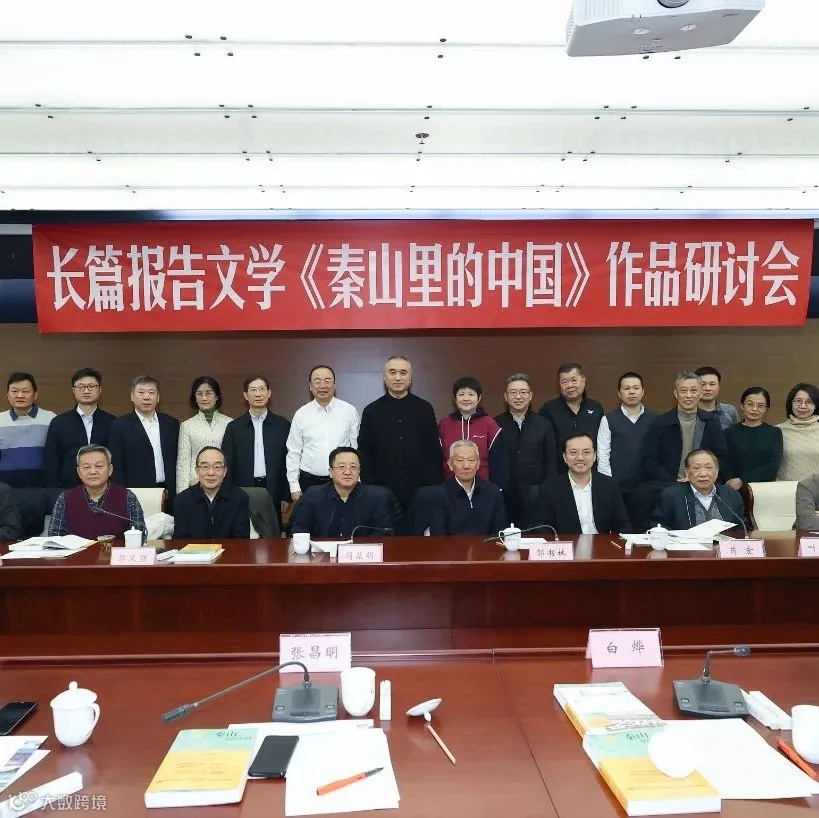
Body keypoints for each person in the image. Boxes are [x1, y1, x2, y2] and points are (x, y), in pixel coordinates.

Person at [630, 371, 727, 532]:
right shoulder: (660, 423)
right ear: (676, 394)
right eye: (683, 391)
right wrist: (674, 481)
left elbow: (721, 456)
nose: (688, 395)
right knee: (643, 496)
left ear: (700, 393)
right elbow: (650, 460)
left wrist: (699, 477)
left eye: (693, 391)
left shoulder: (711, 421)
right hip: (668, 483)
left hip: (703, 482)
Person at [358, 356, 441, 515]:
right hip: (381, 493)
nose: (398, 377)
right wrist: (371, 487)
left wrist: (430, 488)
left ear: (410, 378)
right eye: (392, 372)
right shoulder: (371, 411)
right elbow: (365, 453)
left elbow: (433, 451)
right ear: (384, 377)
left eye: (403, 373)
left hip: (419, 492)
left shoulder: (424, 409)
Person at [221, 376, 290, 529]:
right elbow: (228, 463)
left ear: (269, 393)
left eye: (261, 389)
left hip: (273, 490)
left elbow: (288, 461)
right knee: (243, 532)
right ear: (245, 395)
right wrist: (229, 493)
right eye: (253, 390)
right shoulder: (234, 427)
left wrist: (285, 495)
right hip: (242, 489)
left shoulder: (282, 425)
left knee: (272, 533)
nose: (258, 394)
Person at [286, 366, 359, 503]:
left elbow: (355, 449)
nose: (323, 385)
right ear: (310, 386)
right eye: (318, 381)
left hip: (342, 481)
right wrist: (294, 485)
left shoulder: (349, 411)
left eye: (327, 381)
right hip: (309, 482)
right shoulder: (301, 414)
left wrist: (357, 480)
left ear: (334, 385)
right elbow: (294, 451)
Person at [532, 434, 630, 535]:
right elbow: (541, 527)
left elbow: (623, 526)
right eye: (573, 452)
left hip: (601, 543)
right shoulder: (550, 488)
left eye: (586, 452)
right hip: (567, 543)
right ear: (565, 457)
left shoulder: (609, 486)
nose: (580, 458)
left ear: (595, 456)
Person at [290, 447, 395, 539]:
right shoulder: (312, 496)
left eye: (353, 467)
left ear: (359, 472)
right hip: (322, 554)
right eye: (341, 467)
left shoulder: (376, 498)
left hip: (361, 554)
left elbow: (384, 534)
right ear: (331, 472)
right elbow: (298, 531)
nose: (347, 472)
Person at [494, 373, 557, 528]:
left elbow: (551, 461)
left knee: (535, 534)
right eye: (513, 392)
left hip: (537, 494)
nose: (518, 396)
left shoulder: (543, 424)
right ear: (506, 396)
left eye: (523, 392)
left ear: (530, 395)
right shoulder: (495, 424)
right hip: (505, 494)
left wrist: (547, 490)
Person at [48, 444, 146, 539]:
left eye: (99, 466)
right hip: (78, 551)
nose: (93, 472)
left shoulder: (127, 497)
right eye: (86, 467)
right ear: (79, 472)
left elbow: (140, 535)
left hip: (116, 550)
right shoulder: (65, 499)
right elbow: (54, 537)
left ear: (110, 469)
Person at [44, 367, 115, 489]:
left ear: (100, 390)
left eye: (91, 386)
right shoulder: (59, 422)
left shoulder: (112, 422)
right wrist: (53, 490)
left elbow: (116, 458)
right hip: (68, 488)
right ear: (73, 390)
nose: (86, 391)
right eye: (81, 387)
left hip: (105, 488)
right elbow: (51, 460)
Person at [108, 375, 179, 495]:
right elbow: (117, 466)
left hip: (168, 491)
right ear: (132, 396)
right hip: (135, 492)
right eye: (141, 392)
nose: (146, 397)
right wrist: (121, 495)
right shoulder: (119, 426)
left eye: (151, 393)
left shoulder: (171, 424)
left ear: (158, 397)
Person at [596, 371, 657, 503]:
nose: (631, 392)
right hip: (617, 487)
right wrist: (608, 483)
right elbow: (603, 454)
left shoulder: (655, 419)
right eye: (626, 388)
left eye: (636, 388)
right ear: (619, 393)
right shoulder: (608, 419)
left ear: (643, 392)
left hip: (648, 486)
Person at [437, 376, 507, 489]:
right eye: (461, 394)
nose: (466, 398)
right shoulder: (444, 425)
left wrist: (498, 489)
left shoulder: (490, 425)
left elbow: (499, 463)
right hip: (449, 489)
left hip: (482, 489)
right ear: (454, 398)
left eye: (471, 394)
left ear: (479, 398)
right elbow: (437, 461)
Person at [651, 449, 745, 532]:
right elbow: (658, 526)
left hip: (723, 546)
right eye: (696, 468)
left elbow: (742, 529)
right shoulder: (671, 495)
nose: (703, 474)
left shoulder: (731, 495)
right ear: (687, 473)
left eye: (709, 467)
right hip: (686, 546)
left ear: (716, 472)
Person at [428, 440, 507, 536]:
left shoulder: (493, 492)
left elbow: (499, 533)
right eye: (460, 460)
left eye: (471, 460)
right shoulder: (439, 495)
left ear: (478, 464)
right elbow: (438, 536)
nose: (466, 466)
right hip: (451, 546)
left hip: (485, 545)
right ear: (450, 465)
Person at [538, 363, 604, 473]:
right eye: (564, 382)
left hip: (591, 473)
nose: (570, 385)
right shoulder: (548, 410)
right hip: (559, 474)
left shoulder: (596, 408)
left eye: (574, 380)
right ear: (559, 385)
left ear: (584, 381)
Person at [173, 446, 250, 539]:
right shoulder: (182, 500)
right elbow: (181, 541)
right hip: (195, 549)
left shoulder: (239, 498)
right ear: (197, 471)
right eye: (205, 466)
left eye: (217, 467)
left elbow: (241, 540)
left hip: (230, 548)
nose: (211, 473)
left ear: (225, 471)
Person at [175, 376, 233, 496]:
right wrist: (181, 496)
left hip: (224, 485)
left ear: (217, 396)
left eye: (209, 393)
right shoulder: (187, 426)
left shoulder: (230, 423)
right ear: (195, 398)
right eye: (199, 394)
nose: (204, 398)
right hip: (196, 485)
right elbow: (183, 463)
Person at [0, 371, 56, 488]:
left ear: (35, 395)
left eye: (25, 391)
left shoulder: (50, 419)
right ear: (7, 395)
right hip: (6, 490)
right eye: (14, 391)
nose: (20, 395)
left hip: (42, 488)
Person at [724, 387, 783, 490]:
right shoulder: (728, 432)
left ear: (766, 409)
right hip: (733, 488)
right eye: (750, 404)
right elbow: (724, 462)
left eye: (760, 406)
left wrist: (742, 480)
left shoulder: (774, 433)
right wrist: (731, 481)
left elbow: (773, 465)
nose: (755, 409)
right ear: (742, 405)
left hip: (765, 489)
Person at [777, 382, 819, 481]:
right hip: (785, 488)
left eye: (809, 402)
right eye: (798, 401)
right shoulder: (777, 431)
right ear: (791, 403)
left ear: (816, 405)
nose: (803, 406)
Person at [695, 366, 740, 430]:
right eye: (702, 384)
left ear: (719, 386)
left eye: (712, 384)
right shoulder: (687, 413)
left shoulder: (729, 411)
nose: (708, 388)